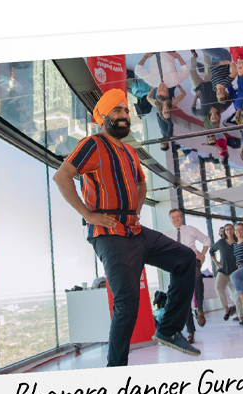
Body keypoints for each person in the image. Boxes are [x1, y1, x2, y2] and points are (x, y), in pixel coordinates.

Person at [52, 88, 200, 365]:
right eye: (117, 110)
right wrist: (88, 214)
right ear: (104, 116)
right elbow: (62, 177)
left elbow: (141, 183)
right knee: (127, 305)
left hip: (135, 229)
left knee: (185, 259)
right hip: (109, 232)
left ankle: (168, 329)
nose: (124, 115)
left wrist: (137, 208)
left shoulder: (130, 151)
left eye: (126, 111)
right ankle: (115, 370)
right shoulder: (92, 144)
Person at [164, 209, 212, 343]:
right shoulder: (167, 235)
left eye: (177, 217)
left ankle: (200, 309)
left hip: (192, 260)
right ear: (170, 219)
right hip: (177, 266)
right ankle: (190, 331)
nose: (175, 219)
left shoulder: (190, 229)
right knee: (183, 298)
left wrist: (202, 254)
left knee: (197, 277)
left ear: (182, 218)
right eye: (173, 217)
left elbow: (206, 240)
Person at [209, 224, 239, 321]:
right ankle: (226, 309)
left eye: (230, 229)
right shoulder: (221, 242)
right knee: (218, 287)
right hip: (223, 270)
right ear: (224, 232)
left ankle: (241, 315)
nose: (229, 231)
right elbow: (211, 251)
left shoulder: (238, 241)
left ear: (233, 230)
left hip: (235, 271)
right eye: (227, 230)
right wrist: (216, 262)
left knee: (237, 293)